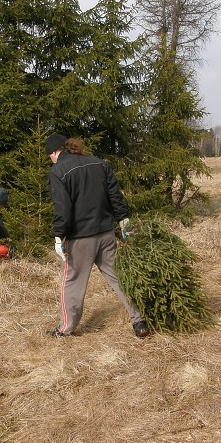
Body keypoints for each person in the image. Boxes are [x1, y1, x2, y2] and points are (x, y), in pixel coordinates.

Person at [45, 134, 150, 338]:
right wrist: (123, 220)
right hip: (106, 234)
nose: (51, 160)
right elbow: (115, 196)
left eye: (50, 156)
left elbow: (63, 208)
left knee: (71, 283)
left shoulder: (58, 171)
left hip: (79, 240)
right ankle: (139, 321)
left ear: (56, 152)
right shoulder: (99, 163)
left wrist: (59, 236)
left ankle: (65, 329)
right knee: (119, 278)